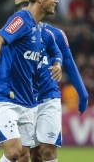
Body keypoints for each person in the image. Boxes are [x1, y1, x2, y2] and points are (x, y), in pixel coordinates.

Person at [0, 0, 61, 162]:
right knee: (14, 152)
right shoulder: (22, 19)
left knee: (24, 155)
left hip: (26, 100)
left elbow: (55, 54)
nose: (57, 0)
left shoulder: (39, 31)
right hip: (4, 96)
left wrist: (57, 64)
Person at [30, 24, 89, 162]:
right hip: (25, 99)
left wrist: (83, 93)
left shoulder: (55, 34)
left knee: (48, 152)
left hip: (49, 96)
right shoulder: (17, 32)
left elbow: (68, 61)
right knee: (34, 154)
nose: (56, 0)